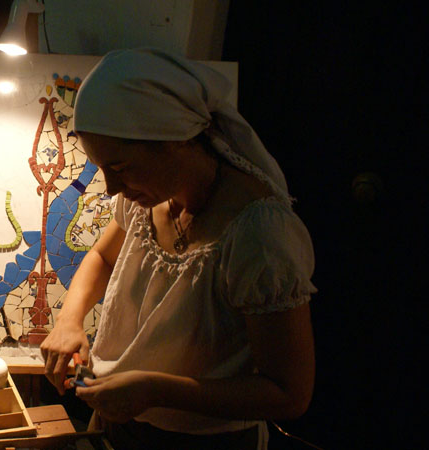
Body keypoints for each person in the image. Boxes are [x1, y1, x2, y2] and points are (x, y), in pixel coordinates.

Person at [40, 48, 317, 450]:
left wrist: (155, 391)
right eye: (102, 168)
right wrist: (69, 321)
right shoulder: (147, 198)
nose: (112, 189)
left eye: (120, 168)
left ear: (177, 142)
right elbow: (102, 256)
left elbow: (288, 393)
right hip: (119, 427)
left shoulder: (258, 235)